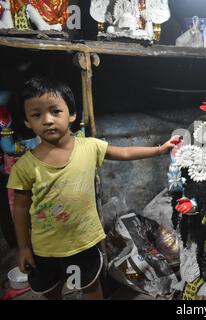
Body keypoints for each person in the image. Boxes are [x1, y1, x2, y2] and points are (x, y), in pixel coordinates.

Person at [7, 77, 180, 300]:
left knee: (89, 285)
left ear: (71, 115)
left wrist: (160, 150)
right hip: (45, 249)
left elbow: (124, 153)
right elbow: (20, 209)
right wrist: (23, 248)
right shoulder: (25, 166)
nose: (47, 120)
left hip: (84, 243)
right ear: (28, 121)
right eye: (37, 114)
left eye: (55, 111)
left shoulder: (90, 147)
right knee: (51, 291)